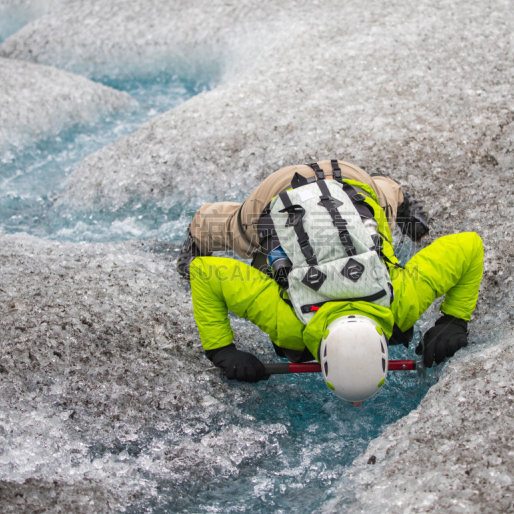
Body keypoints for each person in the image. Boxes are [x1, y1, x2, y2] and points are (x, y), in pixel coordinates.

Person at [181, 160, 483, 405]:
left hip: (350, 180)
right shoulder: (289, 324)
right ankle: (200, 227)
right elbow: (204, 271)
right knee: (234, 231)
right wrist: (220, 349)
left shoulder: (402, 302)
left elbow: (469, 246)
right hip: (285, 191)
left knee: (380, 209)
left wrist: (455, 319)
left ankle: (391, 192)